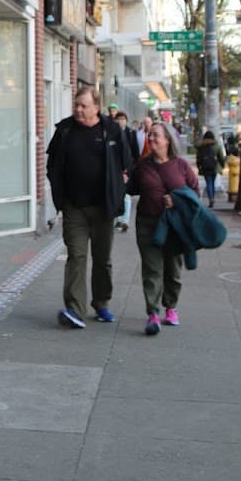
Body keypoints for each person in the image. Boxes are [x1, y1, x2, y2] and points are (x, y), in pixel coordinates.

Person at [46, 86, 131, 329]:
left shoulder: (112, 130)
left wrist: (120, 186)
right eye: (76, 104)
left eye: (83, 105)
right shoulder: (65, 129)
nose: (78, 109)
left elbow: (127, 163)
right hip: (74, 207)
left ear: (96, 107)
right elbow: (52, 164)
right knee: (76, 256)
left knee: (102, 258)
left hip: (103, 207)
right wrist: (59, 195)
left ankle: (101, 303)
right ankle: (75, 309)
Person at [128, 121, 200, 335]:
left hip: (175, 226)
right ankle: (152, 312)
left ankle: (171, 307)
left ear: (167, 140)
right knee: (152, 269)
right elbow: (132, 188)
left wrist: (177, 201)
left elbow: (195, 193)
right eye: (149, 135)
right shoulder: (143, 165)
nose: (151, 139)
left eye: (156, 136)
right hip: (148, 223)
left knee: (173, 269)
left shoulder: (181, 165)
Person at [113, 110, 139, 231]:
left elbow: (135, 151)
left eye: (123, 118)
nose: (120, 121)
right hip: (115, 168)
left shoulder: (131, 133)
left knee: (126, 195)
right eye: (118, 118)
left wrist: (132, 168)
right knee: (119, 194)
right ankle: (119, 219)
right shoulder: (111, 133)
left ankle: (124, 220)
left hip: (127, 168)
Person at [195, 128, 225, 208]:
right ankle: (212, 197)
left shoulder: (201, 147)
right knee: (213, 182)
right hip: (214, 167)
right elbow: (221, 157)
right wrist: (222, 165)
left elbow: (198, 158)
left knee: (209, 183)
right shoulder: (217, 146)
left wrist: (199, 167)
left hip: (205, 167)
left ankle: (211, 198)